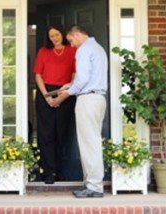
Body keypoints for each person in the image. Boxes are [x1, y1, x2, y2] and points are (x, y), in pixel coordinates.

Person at [55, 25, 107, 198]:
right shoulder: (98, 49)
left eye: (71, 41)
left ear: (77, 35)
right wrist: (70, 85)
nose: (71, 45)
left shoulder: (83, 50)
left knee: (88, 144)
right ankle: (92, 184)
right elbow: (89, 77)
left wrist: (67, 92)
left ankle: (93, 187)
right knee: (93, 142)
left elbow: (83, 78)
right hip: (98, 99)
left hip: (87, 100)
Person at [33, 25, 76, 184]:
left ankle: (60, 171)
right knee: (46, 134)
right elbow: (38, 75)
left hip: (65, 92)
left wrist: (62, 95)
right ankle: (49, 172)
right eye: (51, 36)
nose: (55, 38)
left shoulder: (72, 51)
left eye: (57, 34)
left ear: (63, 34)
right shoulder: (43, 51)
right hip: (45, 92)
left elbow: (75, 75)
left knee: (61, 133)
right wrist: (46, 96)